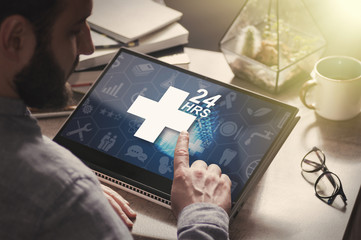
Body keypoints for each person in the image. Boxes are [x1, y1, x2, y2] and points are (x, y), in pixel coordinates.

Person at [0, 0, 232, 239]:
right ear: (16, 38)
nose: (88, 47)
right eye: (74, 29)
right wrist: (204, 217)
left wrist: (65, 184)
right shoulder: (69, 199)